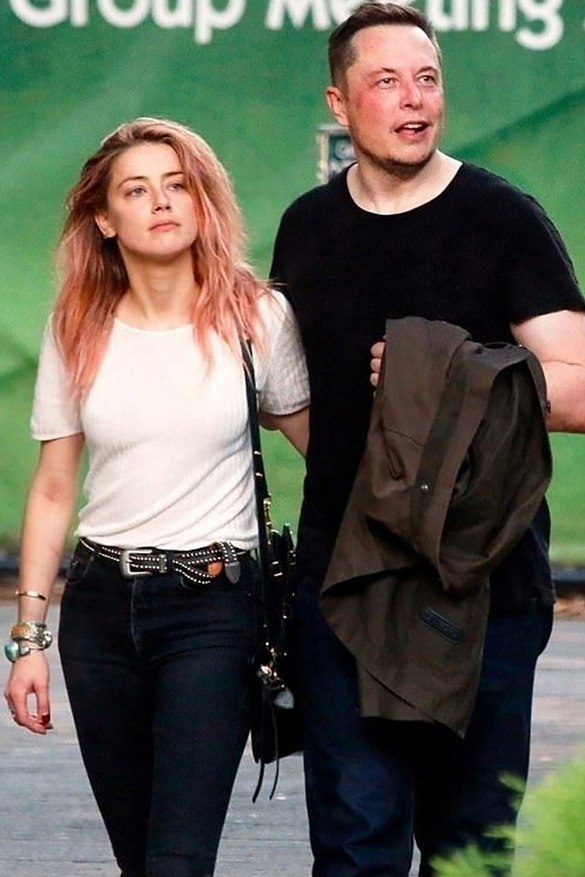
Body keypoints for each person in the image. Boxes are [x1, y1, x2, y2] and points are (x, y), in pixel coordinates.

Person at [269, 3, 585, 876]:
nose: (414, 99)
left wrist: (451, 378)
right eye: (386, 81)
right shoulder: (308, 226)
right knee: (353, 846)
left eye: (427, 79)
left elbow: (578, 385)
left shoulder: (501, 217)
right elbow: (311, 406)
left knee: (467, 849)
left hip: (480, 585)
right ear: (339, 104)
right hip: (345, 584)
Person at [3, 117, 309, 877]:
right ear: (105, 220)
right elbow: (52, 488)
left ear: (203, 201)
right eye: (136, 191)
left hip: (215, 607)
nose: (162, 202)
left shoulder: (256, 316)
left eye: (177, 185)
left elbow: (326, 452)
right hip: (101, 609)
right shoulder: (77, 325)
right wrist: (29, 639)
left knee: (178, 860)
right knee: (138, 859)